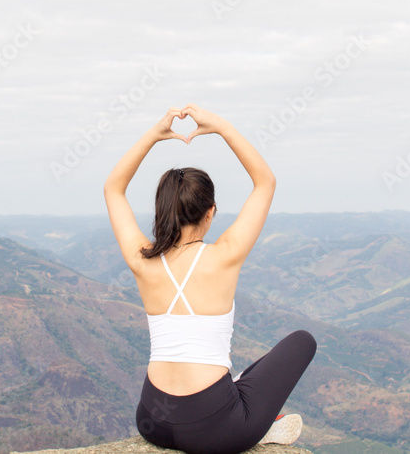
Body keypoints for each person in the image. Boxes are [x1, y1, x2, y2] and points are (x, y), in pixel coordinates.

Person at [103, 103, 317, 454]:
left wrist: (154, 136)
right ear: (210, 211)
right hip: (213, 429)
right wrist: (221, 126)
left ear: (162, 211)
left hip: (152, 421)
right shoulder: (225, 255)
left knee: (234, 379)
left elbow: (113, 188)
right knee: (302, 340)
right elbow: (265, 181)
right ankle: (256, 426)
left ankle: (235, 396)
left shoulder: (143, 260)